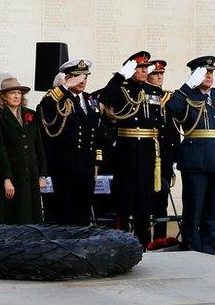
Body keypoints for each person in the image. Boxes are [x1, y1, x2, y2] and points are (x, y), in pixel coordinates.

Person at [166, 56, 215, 254]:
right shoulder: (186, 95)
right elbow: (172, 108)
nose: (209, 76)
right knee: (193, 212)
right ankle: (192, 252)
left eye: (211, 72)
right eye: (204, 73)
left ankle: (208, 252)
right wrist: (188, 86)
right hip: (195, 163)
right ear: (195, 75)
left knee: (212, 214)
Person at [99, 51, 164, 246]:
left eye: (146, 68)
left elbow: (160, 123)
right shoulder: (121, 88)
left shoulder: (153, 91)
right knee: (125, 198)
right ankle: (123, 242)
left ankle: (143, 242)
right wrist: (119, 76)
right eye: (140, 68)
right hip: (127, 150)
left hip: (148, 151)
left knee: (145, 200)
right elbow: (104, 99)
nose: (145, 71)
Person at [37, 59, 104, 226]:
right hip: (66, 167)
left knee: (83, 212)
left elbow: (97, 132)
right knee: (65, 213)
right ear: (66, 78)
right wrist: (64, 87)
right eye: (77, 77)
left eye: (85, 78)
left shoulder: (90, 100)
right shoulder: (59, 98)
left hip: (87, 166)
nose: (82, 81)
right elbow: (45, 105)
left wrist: (97, 161)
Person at [0, 77, 47, 224]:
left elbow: (38, 145)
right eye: (12, 93)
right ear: (3, 96)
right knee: (15, 215)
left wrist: (42, 174)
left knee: (32, 216)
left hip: (31, 174)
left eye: (19, 93)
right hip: (12, 174)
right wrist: (6, 179)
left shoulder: (31, 115)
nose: (16, 96)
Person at [147, 60, 181, 241]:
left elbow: (174, 130)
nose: (160, 77)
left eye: (162, 73)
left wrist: (174, 155)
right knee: (145, 202)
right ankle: (143, 240)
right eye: (156, 73)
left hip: (165, 158)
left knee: (162, 202)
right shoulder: (141, 96)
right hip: (146, 157)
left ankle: (159, 240)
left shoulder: (169, 98)